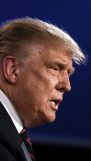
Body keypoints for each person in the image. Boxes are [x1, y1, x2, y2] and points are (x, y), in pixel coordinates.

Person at [0, 17, 85, 161]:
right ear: (12, 69)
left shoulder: (12, 132)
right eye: (55, 68)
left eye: (68, 73)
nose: (67, 86)